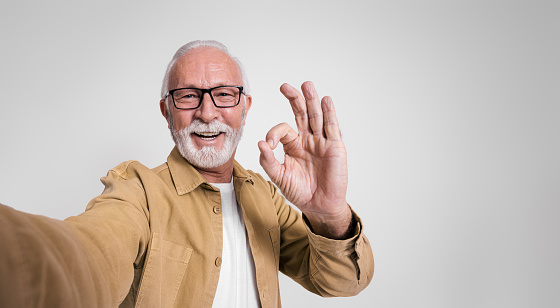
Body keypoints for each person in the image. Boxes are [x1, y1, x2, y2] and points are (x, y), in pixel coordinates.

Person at [0, 40, 373, 307]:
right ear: (166, 111)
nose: (207, 113)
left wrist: (328, 214)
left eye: (224, 94)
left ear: (245, 108)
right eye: (188, 95)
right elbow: (86, 257)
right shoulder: (137, 191)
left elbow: (341, 283)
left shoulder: (265, 196)